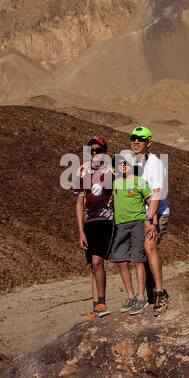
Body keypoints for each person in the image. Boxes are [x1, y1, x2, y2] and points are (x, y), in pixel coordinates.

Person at [129, 126, 171, 316]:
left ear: (149, 143)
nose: (136, 142)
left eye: (141, 139)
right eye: (133, 138)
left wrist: (150, 220)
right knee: (141, 256)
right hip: (141, 214)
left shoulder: (154, 163)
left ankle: (160, 294)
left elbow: (156, 193)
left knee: (149, 247)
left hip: (156, 213)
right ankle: (150, 296)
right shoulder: (135, 163)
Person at [109, 148, 153, 314]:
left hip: (137, 223)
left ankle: (141, 297)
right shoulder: (115, 184)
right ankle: (130, 296)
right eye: (120, 162)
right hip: (120, 225)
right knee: (121, 261)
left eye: (126, 162)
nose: (123, 165)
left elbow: (151, 202)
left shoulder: (140, 182)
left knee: (138, 260)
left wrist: (151, 222)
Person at [75, 135, 114, 319]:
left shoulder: (112, 172)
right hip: (89, 222)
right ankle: (95, 306)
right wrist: (80, 231)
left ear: (105, 152)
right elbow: (79, 203)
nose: (94, 154)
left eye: (98, 150)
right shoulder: (83, 174)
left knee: (98, 261)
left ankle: (102, 302)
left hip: (106, 221)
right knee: (93, 265)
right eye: (91, 151)